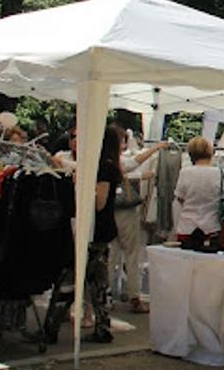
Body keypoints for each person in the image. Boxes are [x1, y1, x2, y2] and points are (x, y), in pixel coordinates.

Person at [41, 125, 121, 344]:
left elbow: (99, 202)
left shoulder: (104, 167)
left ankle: (50, 329)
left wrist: (81, 184)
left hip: (93, 232)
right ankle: (102, 329)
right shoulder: (105, 166)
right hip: (97, 231)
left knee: (69, 280)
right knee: (97, 283)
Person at [111, 134, 169, 313]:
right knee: (130, 253)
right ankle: (133, 296)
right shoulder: (113, 161)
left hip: (108, 212)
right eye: (122, 140)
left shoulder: (101, 159)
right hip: (124, 211)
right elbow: (133, 163)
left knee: (111, 254)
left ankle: (108, 294)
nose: (124, 144)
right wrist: (155, 149)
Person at [173, 136, 224, 251]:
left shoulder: (185, 172)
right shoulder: (220, 173)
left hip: (187, 226)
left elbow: (180, 197)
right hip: (211, 226)